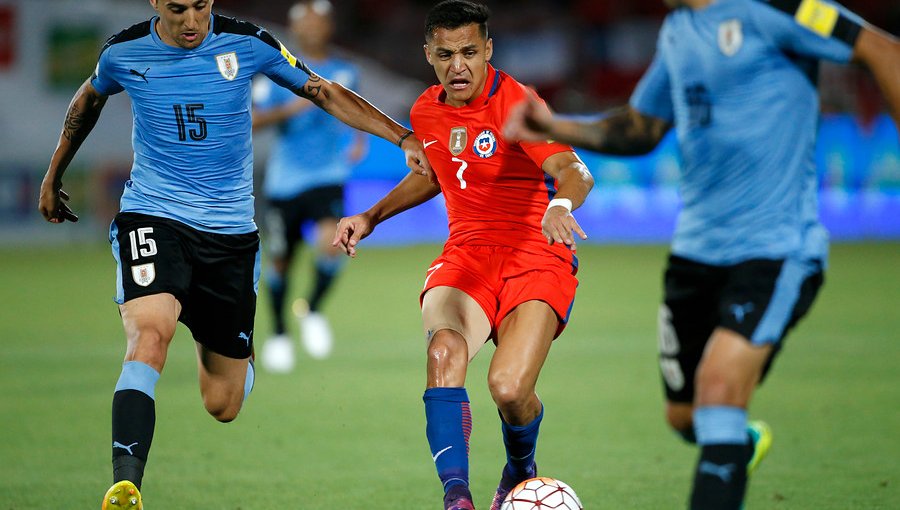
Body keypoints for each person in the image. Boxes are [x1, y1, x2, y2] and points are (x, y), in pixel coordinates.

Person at [503, 1, 900, 508]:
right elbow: (642, 128)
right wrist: (557, 126)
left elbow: (884, 50)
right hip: (696, 251)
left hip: (774, 248)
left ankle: (726, 439)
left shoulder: (779, 9)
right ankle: (737, 443)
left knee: (718, 389)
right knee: (687, 416)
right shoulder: (679, 32)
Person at [37, 0, 431, 508]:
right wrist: (54, 175)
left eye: (200, 6)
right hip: (153, 215)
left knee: (222, 404)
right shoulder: (125, 52)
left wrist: (401, 136)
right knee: (149, 335)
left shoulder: (249, 43)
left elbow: (323, 90)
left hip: (227, 237)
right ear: (157, 3)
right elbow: (88, 99)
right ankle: (126, 483)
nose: (191, 21)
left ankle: (229, 337)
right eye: (177, 9)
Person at [332, 2, 594, 509]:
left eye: (470, 52)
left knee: (510, 389)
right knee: (442, 353)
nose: (459, 65)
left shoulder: (519, 104)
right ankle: (458, 499)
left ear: (488, 50)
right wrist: (371, 216)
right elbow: (434, 174)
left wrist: (559, 203)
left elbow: (573, 168)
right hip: (467, 255)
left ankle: (520, 468)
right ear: (428, 53)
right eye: (446, 53)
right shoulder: (425, 111)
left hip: (535, 254)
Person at [252, 0, 366, 370]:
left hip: (327, 176)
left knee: (331, 244)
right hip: (285, 183)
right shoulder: (277, 72)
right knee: (281, 261)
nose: (313, 29)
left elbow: (357, 111)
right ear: (295, 30)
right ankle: (281, 333)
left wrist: (360, 139)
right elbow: (252, 120)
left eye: (320, 23)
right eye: (307, 24)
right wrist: (295, 107)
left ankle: (313, 310)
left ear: (329, 27)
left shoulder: (345, 72)